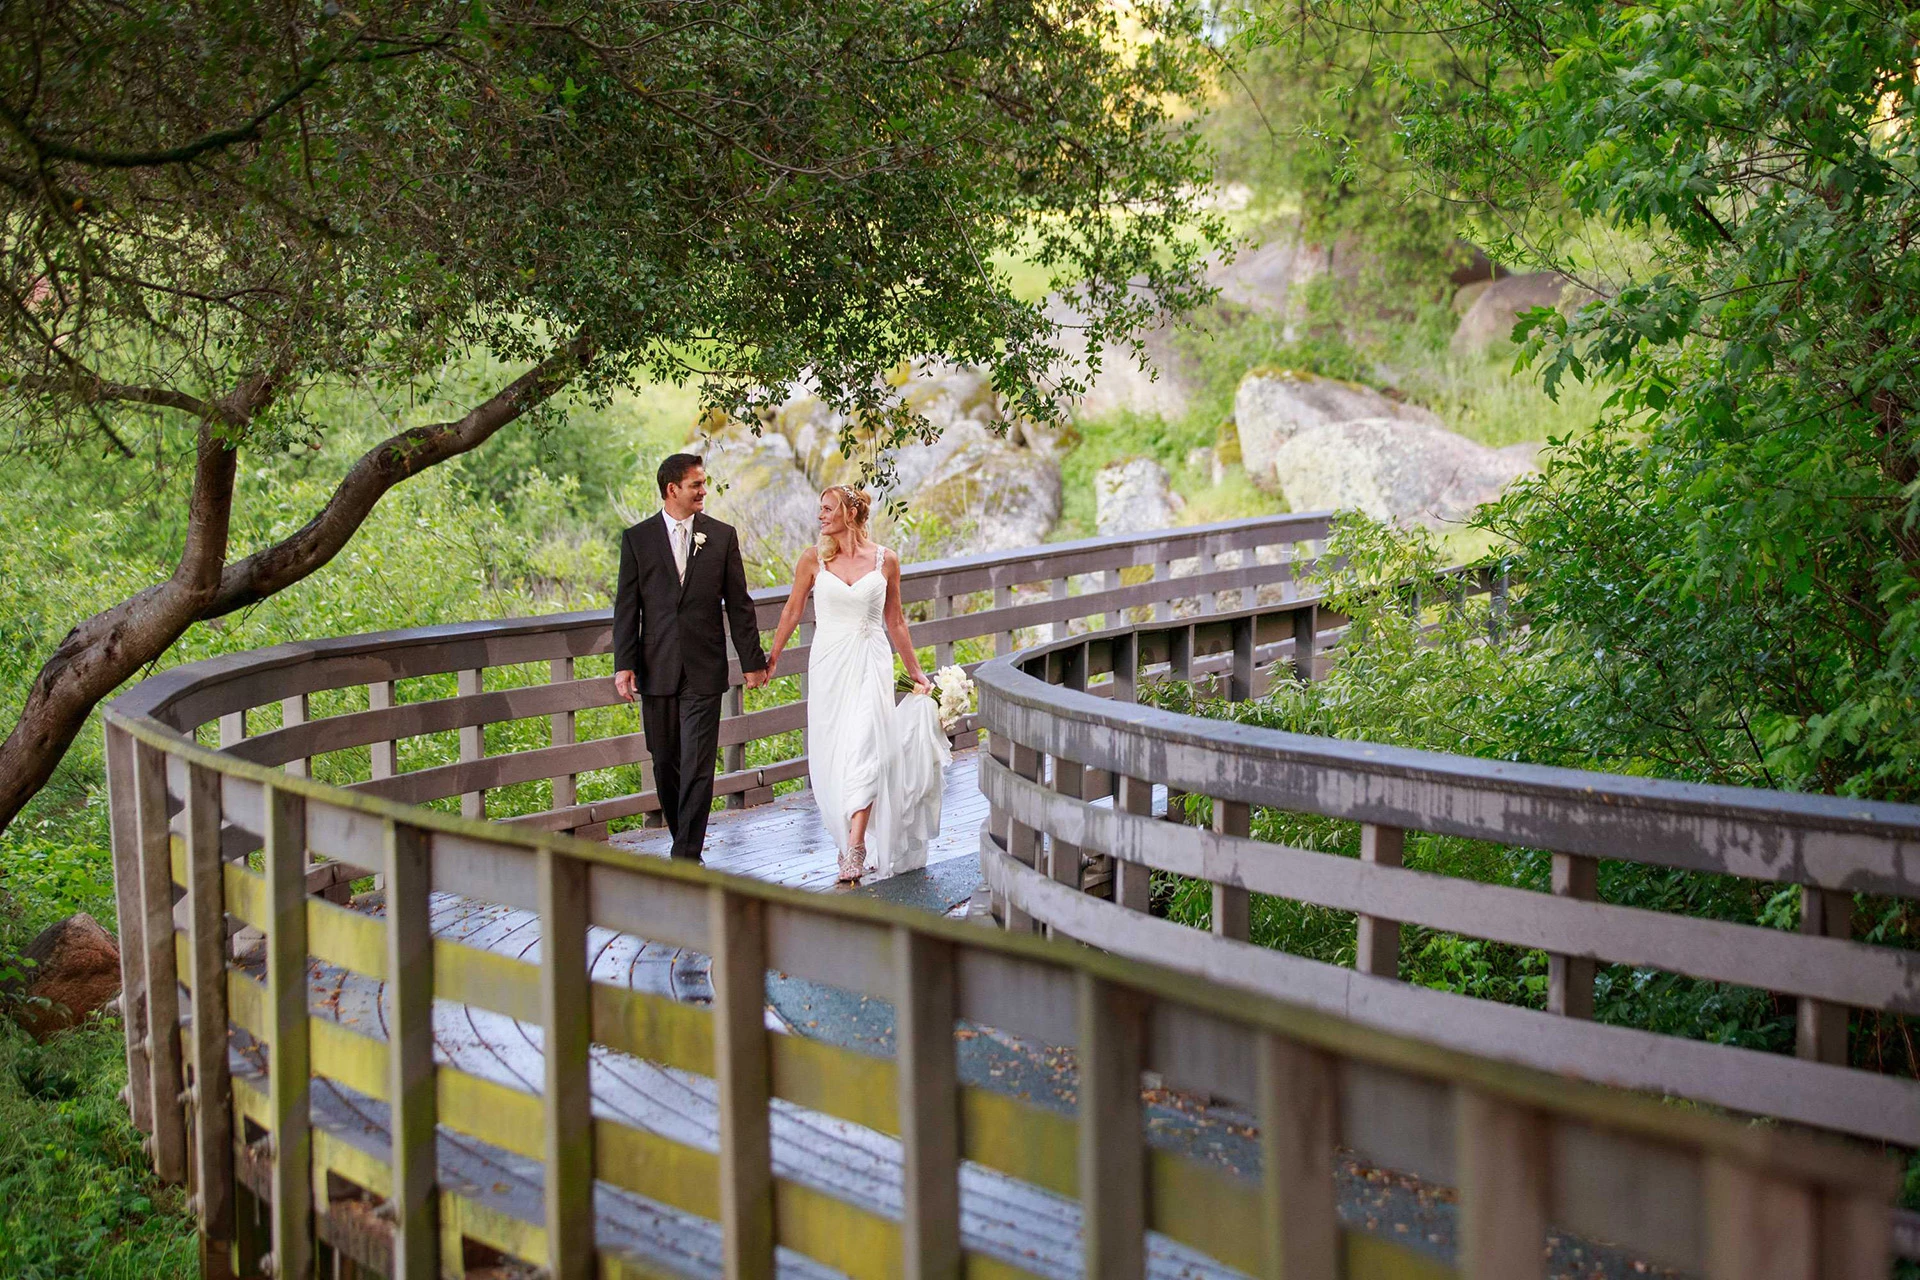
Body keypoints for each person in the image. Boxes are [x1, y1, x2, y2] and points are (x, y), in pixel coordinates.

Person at [765, 485, 949, 883]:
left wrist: (915, 671)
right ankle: (845, 833)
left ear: (850, 513)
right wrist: (773, 657)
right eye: (820, 509)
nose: (821, 516)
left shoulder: (886, 561)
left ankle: (856, 846)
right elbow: (793, 609)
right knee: (835, 755)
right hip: (829, 665)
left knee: (867, 747)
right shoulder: (812, 560)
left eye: (828, 509)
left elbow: (895, 621)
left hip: (871, 661)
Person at [613, 454, 769, 860]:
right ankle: (683, 839)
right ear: (672, 490)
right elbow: (627, 608)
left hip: (704, 667)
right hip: (657, 666)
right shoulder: (637, 539)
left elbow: (739, 604)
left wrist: (752, 661)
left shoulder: (721, 535)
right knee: (664, 761)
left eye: (704, 483)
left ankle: (686, 854)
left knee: (699, 762)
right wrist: (624, 664)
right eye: (696, 484)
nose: (704, 491)